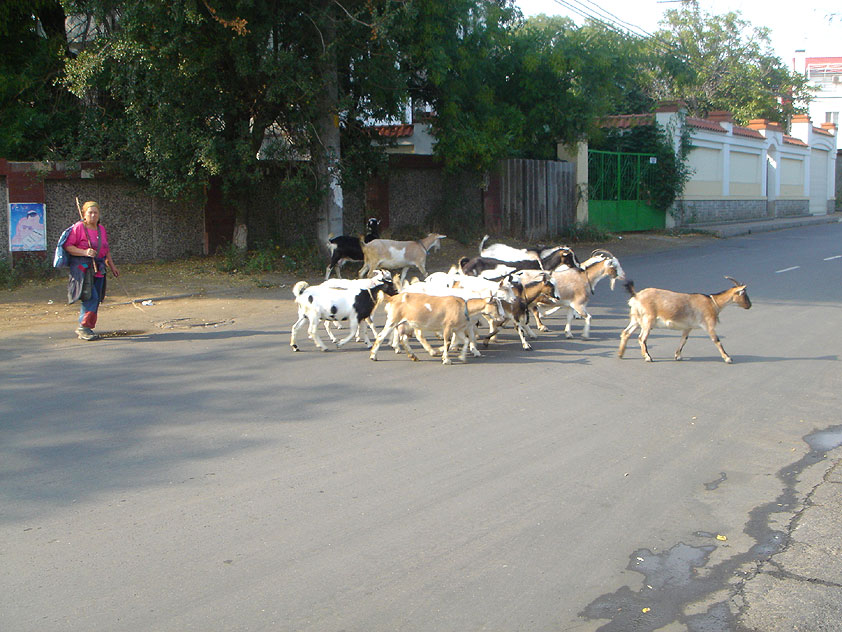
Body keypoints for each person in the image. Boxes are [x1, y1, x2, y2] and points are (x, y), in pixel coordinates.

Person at [62, 201, 120, 340]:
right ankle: (83, 327)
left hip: (99, 269)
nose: (93, 215)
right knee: (90, 297)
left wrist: (112, 266)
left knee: (97, 298)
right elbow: (68, 246)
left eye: (95, 213)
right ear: (84, 214)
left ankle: (87, 327)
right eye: (90, 212)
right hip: (83, 269)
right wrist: (84, 252)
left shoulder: (101, 229)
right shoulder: (79, 228)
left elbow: (105, 249)